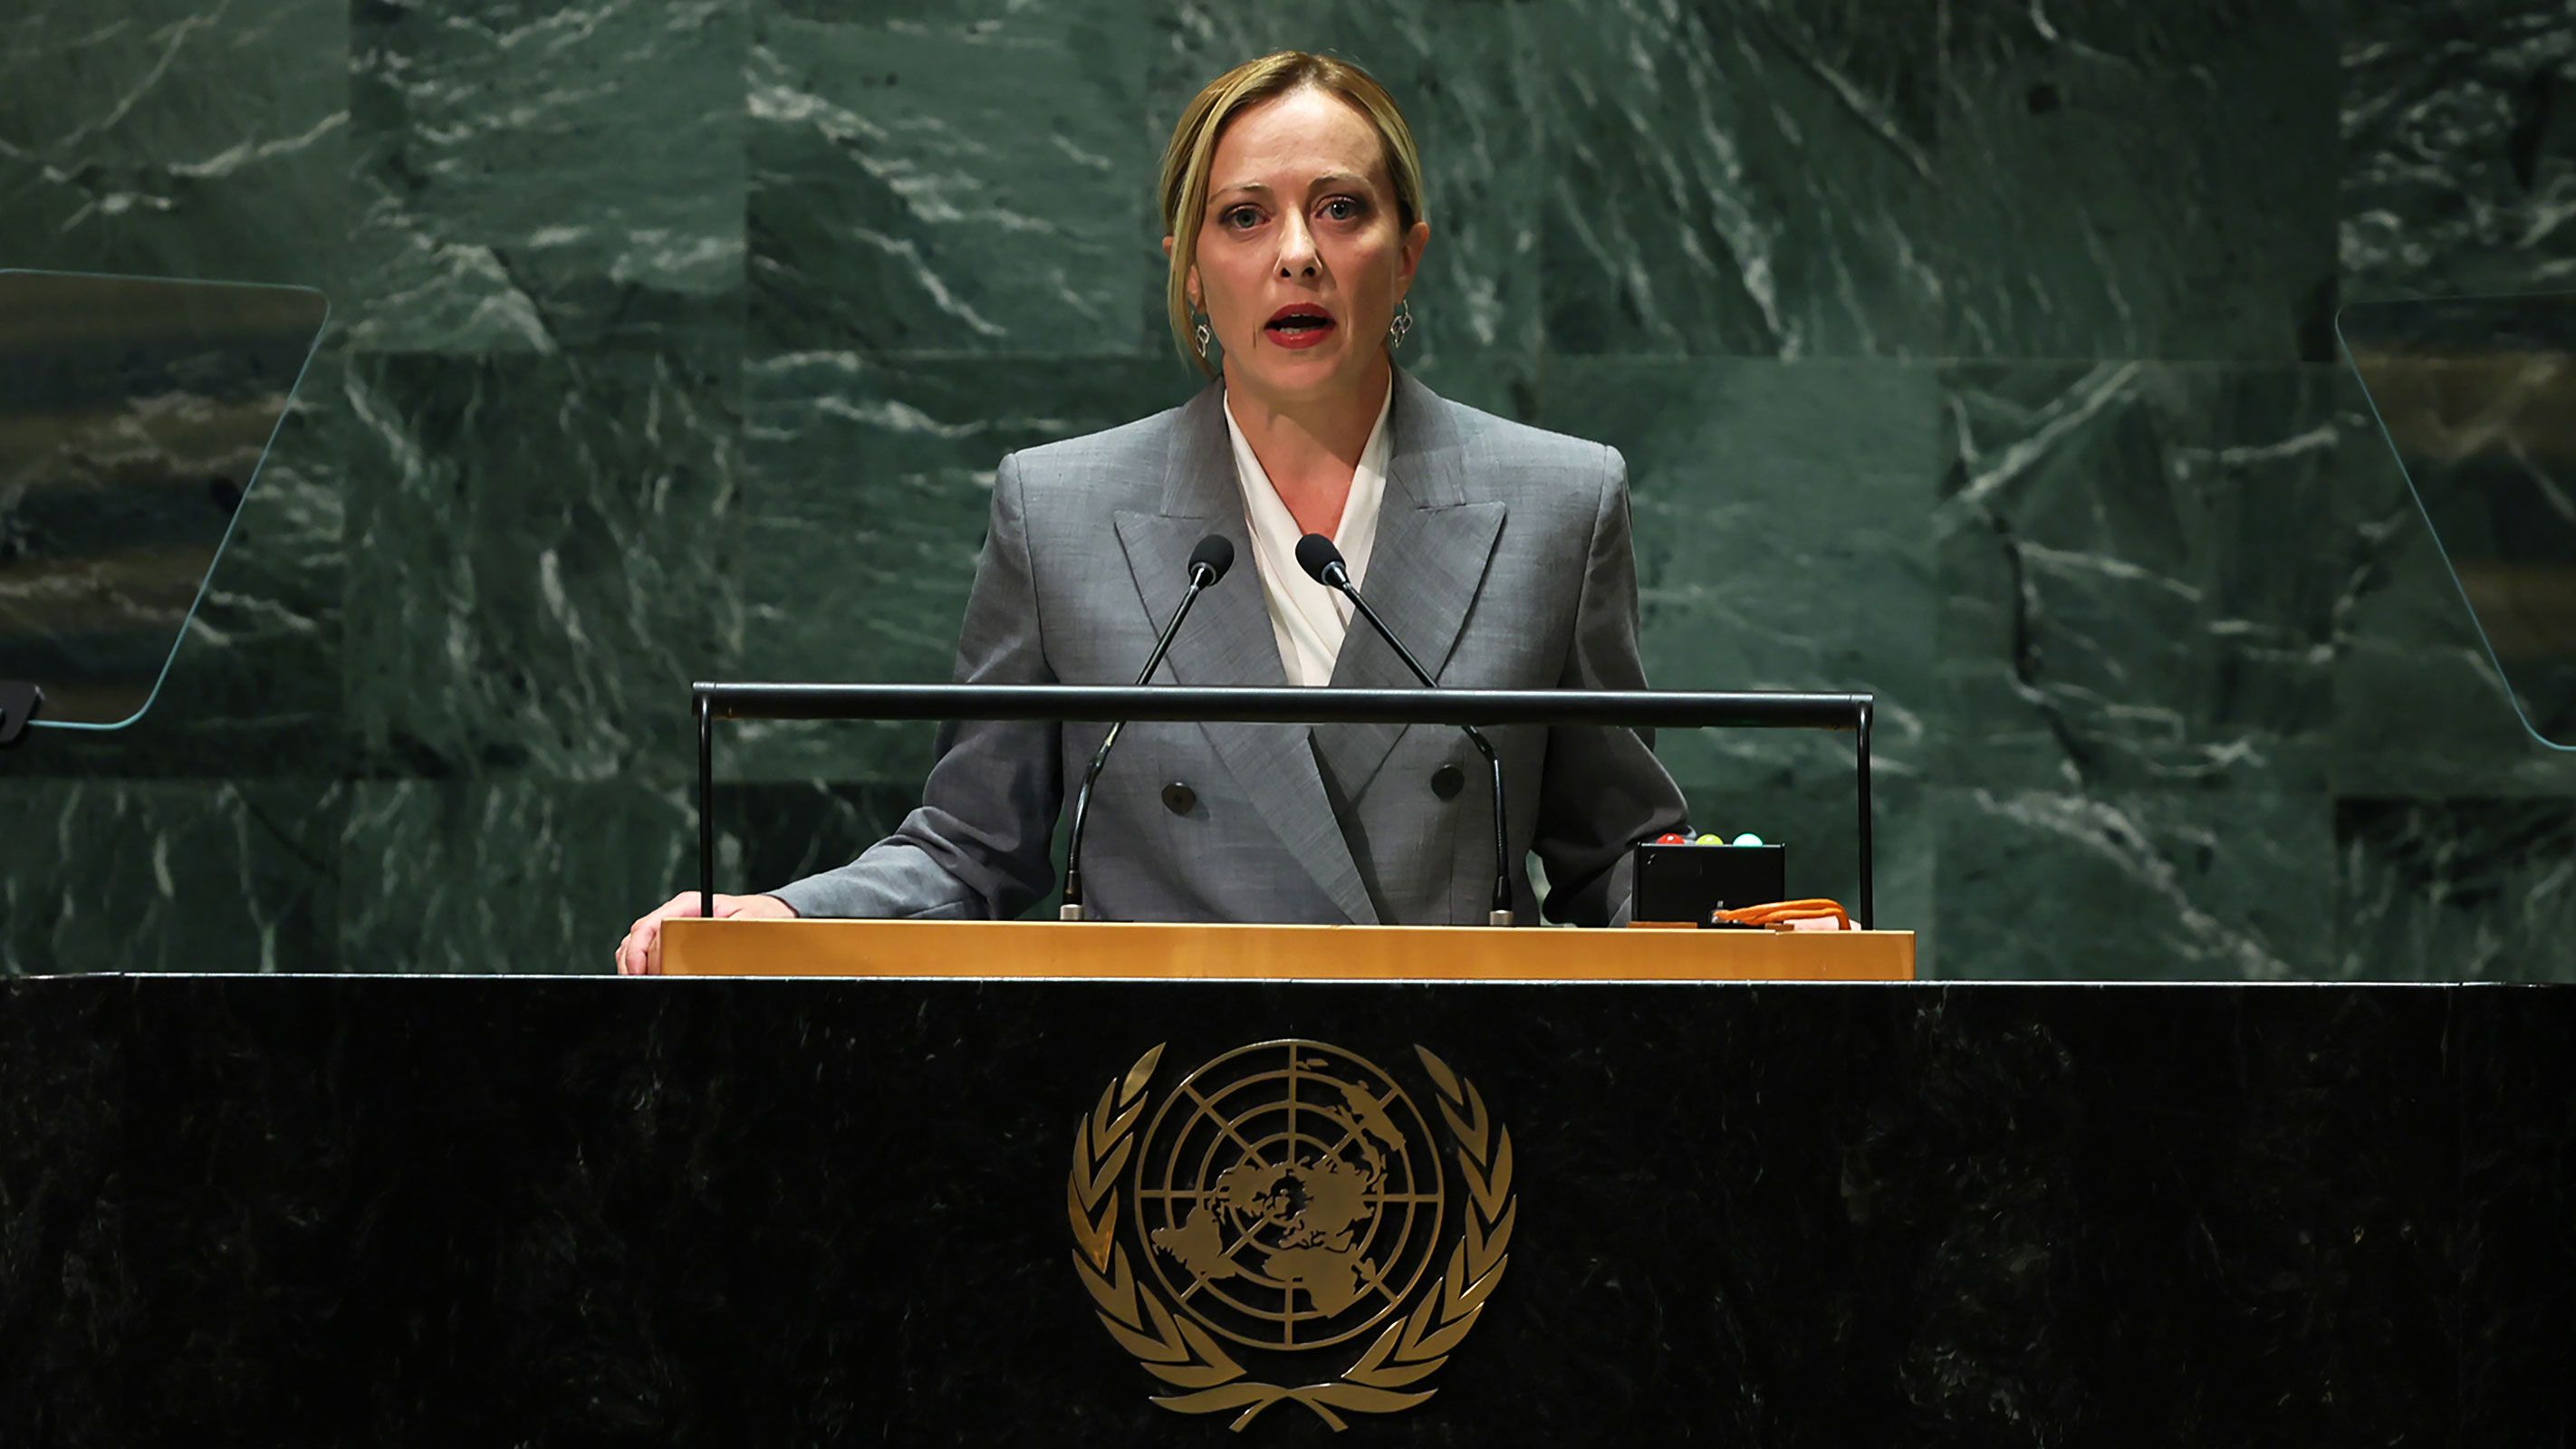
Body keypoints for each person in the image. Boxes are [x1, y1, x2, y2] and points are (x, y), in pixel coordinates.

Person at [617, 51, 1687, 974]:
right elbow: (971, 847)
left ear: (1406, 252)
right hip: (1162, 1132)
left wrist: (1765, 937)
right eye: (1245, 216)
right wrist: (780, 917)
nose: (1297, 254)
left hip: (1453, 1125)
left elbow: (1616, 856)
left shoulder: (1559, 501)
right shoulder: (1059, 509)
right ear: (1188, 271)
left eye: (1342, 208)